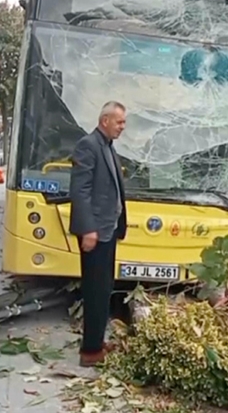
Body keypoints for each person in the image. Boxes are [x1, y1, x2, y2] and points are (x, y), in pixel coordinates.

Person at [69, 101, 128, 368]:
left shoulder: (107, 147)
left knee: (104, 290)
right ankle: (90, 352)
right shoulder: (88, 145)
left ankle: (97, 341)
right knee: (94, 291)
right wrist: (88, 229)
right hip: (96, 232)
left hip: (108, 229)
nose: (122, 127)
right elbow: (80, 191)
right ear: (105, 120)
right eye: (119, 122)